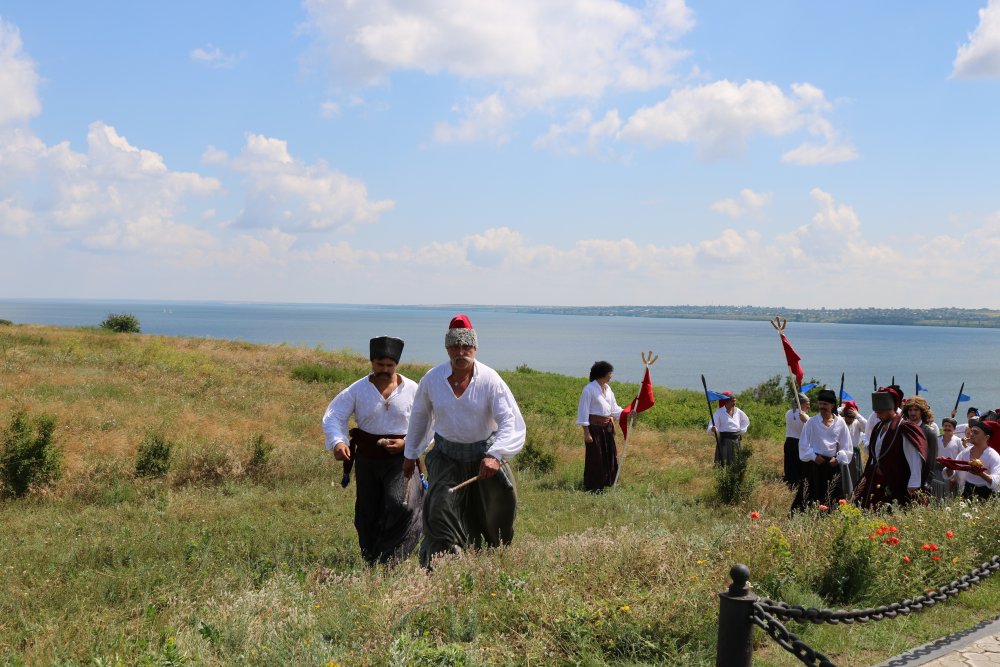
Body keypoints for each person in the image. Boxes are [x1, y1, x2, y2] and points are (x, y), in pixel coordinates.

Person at [403, 314, 526, 568]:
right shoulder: (432, 379)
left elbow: (511, 422)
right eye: (455, 347)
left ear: (475, 347)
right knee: (439, 509)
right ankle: (442, 566)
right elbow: (419, 417)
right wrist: (411, 453)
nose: (461, 352)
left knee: (496, 514)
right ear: (447, 348)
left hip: (485, 459)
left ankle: (488, 564)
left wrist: (495, 455)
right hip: (445, 458)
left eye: (466, 346)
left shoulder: (491, 380)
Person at [322, 336, 422, 565]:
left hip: (401, 459)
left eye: (390, 366)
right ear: (372, 363)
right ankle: (371, 557)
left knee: (400, 504)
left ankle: (392, 558)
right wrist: (338, 442)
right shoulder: (357, 390)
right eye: (380, 365)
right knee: (368, 510)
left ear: (397, 365)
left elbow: (429, 422)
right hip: (367, 458)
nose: (385, 370)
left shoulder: (412, 389)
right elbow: (334, 415)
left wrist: (408, 443)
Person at [855, 385, 928, 510]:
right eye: (876, 413)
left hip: (897, 482)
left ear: (892, 408)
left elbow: (914, 457)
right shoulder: (878, 427)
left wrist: (914, 483)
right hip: (876, 480)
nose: (877, 416)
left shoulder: (905, 427)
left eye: (881, 412)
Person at [791, 389, 853, 512]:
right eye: (820, 404)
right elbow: (803, 444)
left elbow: (847, 446)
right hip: (815, 464)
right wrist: (814, 457)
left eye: (825, 404)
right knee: (810, 496)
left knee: (833, 497)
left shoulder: (840, 423)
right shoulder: (812, 422)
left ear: (832, 405)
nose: (822, 407)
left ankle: (831, 519)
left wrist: (838, 458)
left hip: (832, 464)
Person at [576, 361, 624, 492]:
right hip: (594, 429)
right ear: (602, 374)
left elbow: (614, 409)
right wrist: (587, 432)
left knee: (609, 455)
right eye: (609, 373)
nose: (611, 376)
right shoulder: (589, 390)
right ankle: (593, 487)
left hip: (607, 428)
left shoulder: (608, 389)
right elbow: (583, 412)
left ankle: (606, 482)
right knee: (596, 457)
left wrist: (627, 413)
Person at [904, 395, 944, 499]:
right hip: (904, 478)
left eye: (916, 410)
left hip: (922, 482)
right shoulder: (903, 430)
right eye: (910, 410)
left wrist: (926, 484)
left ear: (922, 411)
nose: (913, 413)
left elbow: (931, 461)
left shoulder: (929, 432)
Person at [952, 416, 1000, 501]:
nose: (971, 434)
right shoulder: (966, 452)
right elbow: (955, 469)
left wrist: (980, 473)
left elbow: (997, 481)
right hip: (967, 491)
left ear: (987, 437)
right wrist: (949, 468)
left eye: (976, 432)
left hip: (985, 495)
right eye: (971, 432)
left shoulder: (993, 456)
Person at [707, 392, 749, 466]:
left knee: (736, 461)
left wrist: (741, 431)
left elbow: (745, 421)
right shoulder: (719, 412)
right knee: (724, 462)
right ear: (727, 402)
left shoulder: (738, 411)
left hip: (736, 440)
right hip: (724, 441)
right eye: (732, 401)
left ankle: (735, 475)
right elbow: (711, 426)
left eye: (735, 401)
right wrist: (713, 429)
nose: (734, 403)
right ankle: (723, 475)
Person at [840, 400, 867, 493]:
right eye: (848, 417)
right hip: (842, 453)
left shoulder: (857, 422)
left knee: (856, 475)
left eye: (852, 417)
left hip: (854, 453)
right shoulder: (840, 421)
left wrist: (858, 416)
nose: (850, 420)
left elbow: (868, 427)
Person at [783, 394, 810, 488]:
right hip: (799, 443)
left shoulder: (788, 413)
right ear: (801, 404)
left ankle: (790, 482)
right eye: (807, 404)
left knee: (790, 464)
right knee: (799, 465)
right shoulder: (805, 416)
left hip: (789, 442)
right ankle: (798, 484)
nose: (809, 406)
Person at [939, 417, 965, 497]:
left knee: (950, 494)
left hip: (952, 471)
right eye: (945, 426)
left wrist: (958, 475)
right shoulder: (937, 439)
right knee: (938, 492)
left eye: (949, 426)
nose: (947, 428)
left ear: (954, 428)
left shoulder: (958, 441)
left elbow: (963, 456)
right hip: (938, 470)